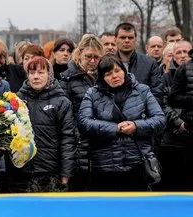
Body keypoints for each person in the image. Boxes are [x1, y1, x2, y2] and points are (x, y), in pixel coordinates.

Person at [79, 55, 165, 191]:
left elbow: (160, 120)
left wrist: (136, 126)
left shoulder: (142, 90)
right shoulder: (92, 93)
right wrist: (115, 128)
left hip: (137, 162)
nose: (114, 76)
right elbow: (84, 122)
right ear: (102, 77)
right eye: (108, 74)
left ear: (124, 71)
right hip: (104, 164)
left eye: (117, 70)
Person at [8, 57, 76, 193]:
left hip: (51, 172)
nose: (36, 77)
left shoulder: (62, 102)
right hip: (22, 172)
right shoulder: (16, 100)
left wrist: (65, 173)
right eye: (32, 73)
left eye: (41, 72)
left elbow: (68, 138)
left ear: (49, 74)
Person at [59, 36, 104, 191]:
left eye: (96, 57)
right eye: (88, 56)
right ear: (79, 55)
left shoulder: (105, 76)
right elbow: (65, 115)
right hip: (78, 142)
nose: (92, 61)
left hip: (102, 141)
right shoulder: (67, 79)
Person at [159, 40, 192, 191]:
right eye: (178, 52)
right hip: (171, 141)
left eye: (186, 52)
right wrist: (179, 123)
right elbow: (162, 104)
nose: (183, 55)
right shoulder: (164, 78)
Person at [115, 22, 164, 102]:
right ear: (115, 39)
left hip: (143, 112)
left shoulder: (150, 63)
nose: (127, 41)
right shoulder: (107, 63)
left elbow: (156, 94)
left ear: (135, 39)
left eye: (130, 38)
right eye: (123, 37)